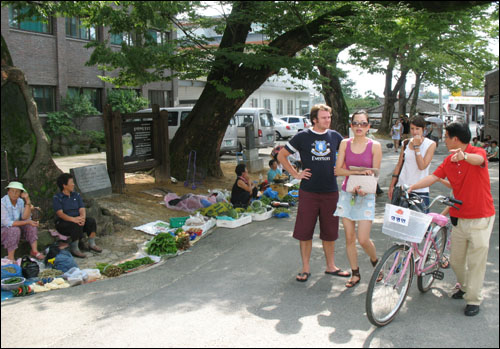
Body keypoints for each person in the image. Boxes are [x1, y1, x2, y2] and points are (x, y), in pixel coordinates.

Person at [408, 121, 495, 317]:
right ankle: (464, 287)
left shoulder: (476, 152)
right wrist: (412, 187)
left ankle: (473, 299)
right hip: (459, 218)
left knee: (476, 261)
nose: (444, 140)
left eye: (446, 137)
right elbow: (433, 177)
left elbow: (477, 160)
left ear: (455, 139)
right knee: (456, 261)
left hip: (481, 217)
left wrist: (464, 155)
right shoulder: (449, 161)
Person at [277, 104, 349, 282]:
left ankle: (331, 266)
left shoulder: (335, 136)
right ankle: (305, 268)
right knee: (304, 231)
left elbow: (350, 155)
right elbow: (281, 156)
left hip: (330, 191)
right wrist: (295, 174)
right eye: (324, 117)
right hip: (308, 192)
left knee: (330, 231)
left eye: (329, 117)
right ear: (314, 120)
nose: (328, 120)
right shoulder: (303, 136)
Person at [334, 111, 383, 288]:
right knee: (349, 237)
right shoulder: (344, 143)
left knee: (363, 238)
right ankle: (355, 273)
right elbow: (338, 170)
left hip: (366, 194)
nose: (359, 127)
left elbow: (375, 173)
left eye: (363, 124)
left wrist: (363, 183)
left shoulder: (375, 145)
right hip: (348, 193)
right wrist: (357, 173)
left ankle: (376, 261)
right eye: (356, 123)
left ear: (369, 126)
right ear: (351, 125)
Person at [388, 116, 437, 211]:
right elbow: (399, 164)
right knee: (400, 222)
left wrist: (416, 147)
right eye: (412, 128)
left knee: (420, 222)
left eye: (417, 129)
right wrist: (392, 185)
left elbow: (422, 166)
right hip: (402, 187)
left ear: (423, 129)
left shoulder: (430, 144)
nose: (414, 132)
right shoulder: (405, 143)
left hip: (420, 189)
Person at [53, 173, 102, 258]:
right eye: (71, 182)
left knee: (91, 221)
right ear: (64, 185)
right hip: (64, 222)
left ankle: (92, 243)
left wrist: (82, 218)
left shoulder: (76, 195)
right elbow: (60, 213)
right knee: (74, 225)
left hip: (78, 219)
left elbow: (82, 208)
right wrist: (73, 219)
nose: (73, 184)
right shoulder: (57, 197)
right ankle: (75, 248)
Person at [1, 181, 45, 262]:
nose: (14, 193)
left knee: (31, 225)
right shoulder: (2, 203)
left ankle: (34, 251)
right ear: (8, 191)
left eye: (17, 191)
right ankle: (10, 257)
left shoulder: (20, 201)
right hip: (4, 229)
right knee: (14, 229)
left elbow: (25, 217)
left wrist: (27, 201)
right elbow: (8, 223)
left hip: (17, 226)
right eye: (12, 191)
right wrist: (27, 222)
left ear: (21, 193)